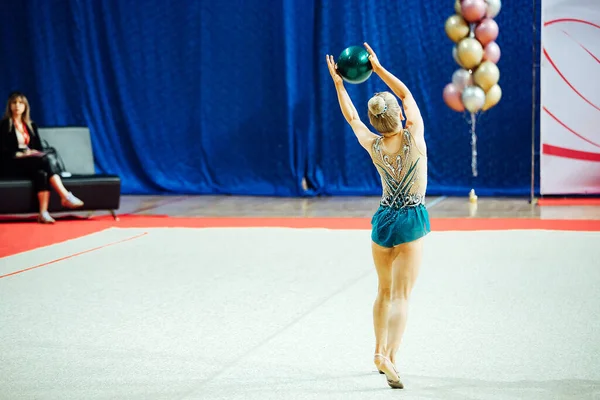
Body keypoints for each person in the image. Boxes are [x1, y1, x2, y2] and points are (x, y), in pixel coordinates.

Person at [326, 43, 430, 389]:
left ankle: (376, 350)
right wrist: (379, 67)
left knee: (384, 291)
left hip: (382, 222)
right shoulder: (414, 136)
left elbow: (352, 118)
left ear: (376, 121)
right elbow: (406, 93)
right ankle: (390, 356)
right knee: (402, 296)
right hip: (410, 218)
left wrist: (341, 85)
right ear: (398, 116)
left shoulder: (372, 144)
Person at [0, 92, 84, 223]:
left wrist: (32, 152)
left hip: (30, 162)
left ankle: (43, 213)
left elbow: (38, 147)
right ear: (9, 106)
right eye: (14, 103)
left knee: (42, 173)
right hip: (11, 163)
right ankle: (65, 195)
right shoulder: (4, 125)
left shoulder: (30, 125)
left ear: (25, 107)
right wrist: (19, 153)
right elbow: (2, 149)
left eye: (20, 103)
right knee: (44, 161)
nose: (17, 106)